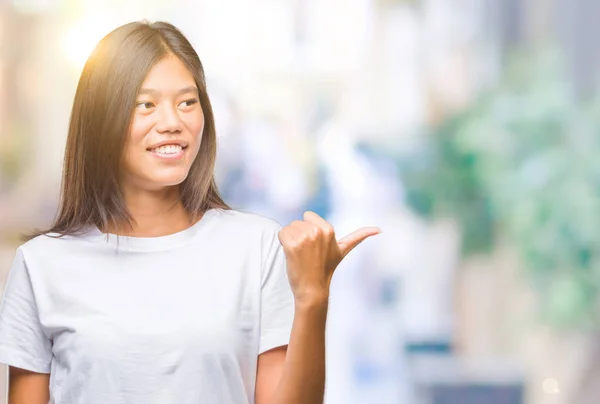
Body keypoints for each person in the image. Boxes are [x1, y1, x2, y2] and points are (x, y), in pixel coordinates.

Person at [0, 21, 380, 404]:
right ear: (102, 118)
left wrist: (313, 296)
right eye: (145, 105)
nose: (172, 123)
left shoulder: (257, 247)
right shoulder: (42, 266)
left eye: (187, 102)